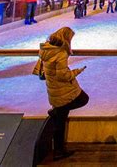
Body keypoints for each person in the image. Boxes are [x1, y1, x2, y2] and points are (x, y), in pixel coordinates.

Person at [39, 27, 88, 160]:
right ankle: (59, 151)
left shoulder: (46, 49)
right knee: (83, 99)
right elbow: (63, 75)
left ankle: (59, 150)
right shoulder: (60, 53)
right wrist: (77, 71)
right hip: (62, 90)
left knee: (60, 119)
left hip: (53, 88)